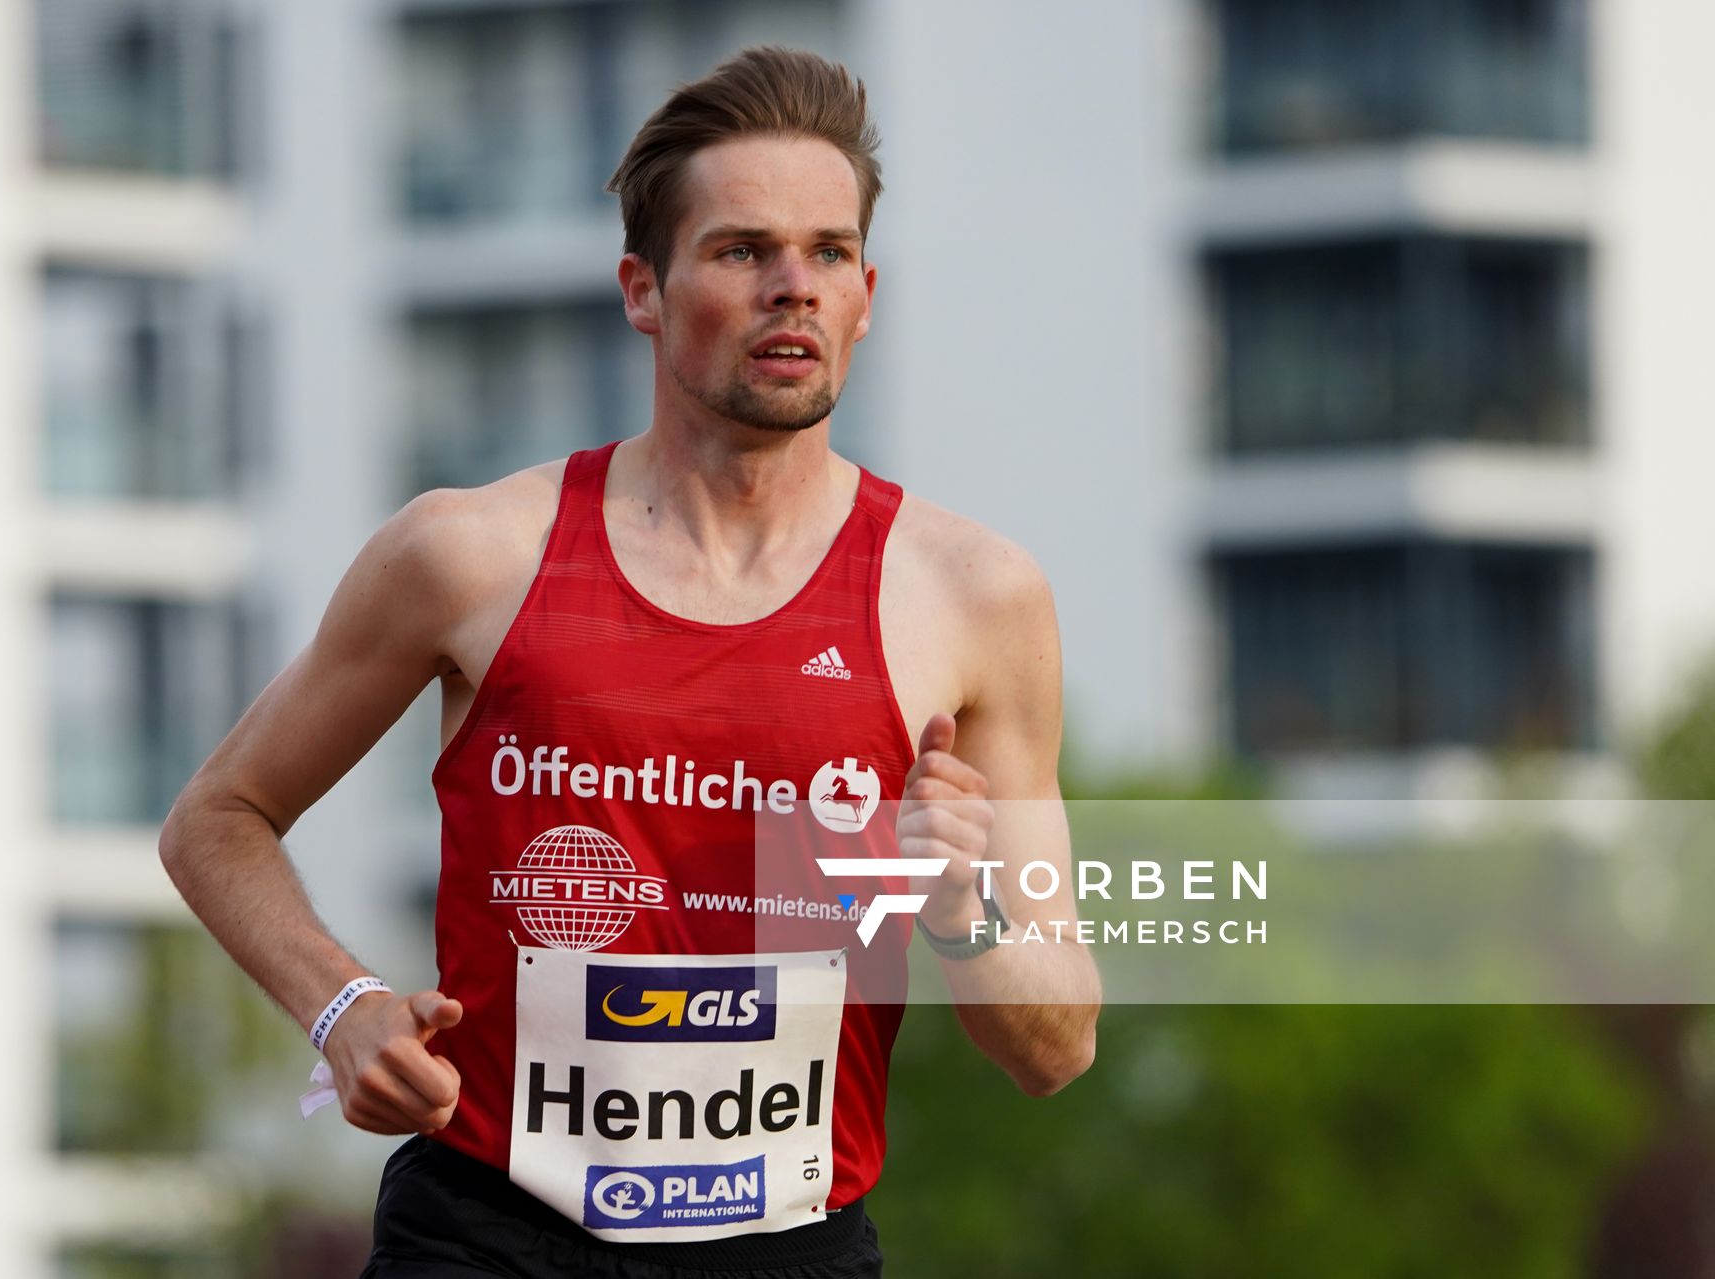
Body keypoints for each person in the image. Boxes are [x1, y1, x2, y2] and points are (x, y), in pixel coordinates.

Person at [160, 45, 1101, 1279]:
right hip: (490, 1233)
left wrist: (961, 912)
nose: (791, 288)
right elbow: (215, 821)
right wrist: (340, 1007)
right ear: (641, 290)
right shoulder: (469, 555)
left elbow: (1057, 1041)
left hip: (789, 1247)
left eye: (826, 255)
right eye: (740, 250)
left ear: (866, 295)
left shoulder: (973, 597)